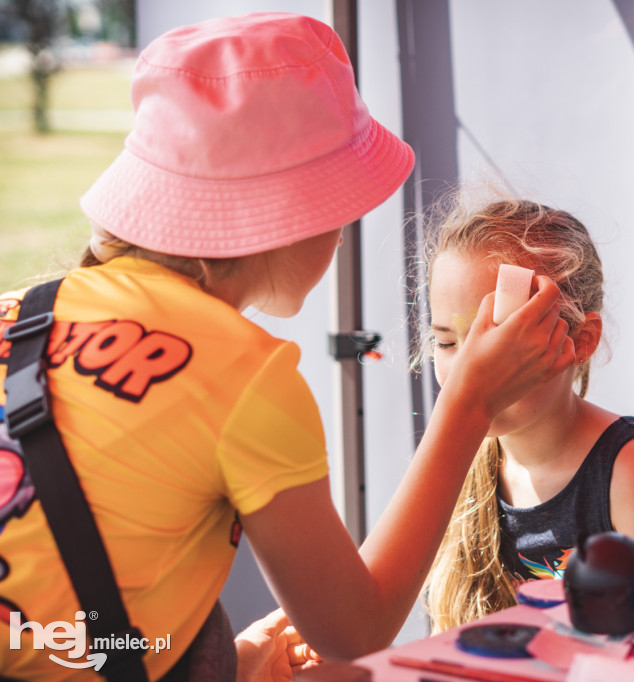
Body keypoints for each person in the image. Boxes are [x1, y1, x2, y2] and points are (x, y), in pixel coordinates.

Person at [0, 13, 575, 680]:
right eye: (342, 209)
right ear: (285, 219)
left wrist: (231, 664)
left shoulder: (23, 311)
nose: (342, 235)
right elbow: (353, 631)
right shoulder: (244, 374)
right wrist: (468, 403)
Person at [422, 197, 634, 632]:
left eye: (500, 340)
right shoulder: (462, 461)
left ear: (582, 340)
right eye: (447, 343)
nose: (465, 372)